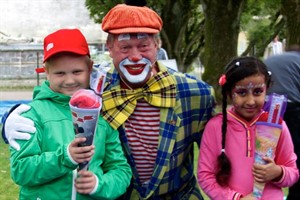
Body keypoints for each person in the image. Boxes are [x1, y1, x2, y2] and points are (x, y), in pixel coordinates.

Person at [2, 1, 215, 199]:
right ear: (110, 48)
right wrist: (7, 121)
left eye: (143, 46)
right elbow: (50, 106)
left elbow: (223, 138)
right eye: (124, 48)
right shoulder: (96, 92)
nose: (134, 56)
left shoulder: (196, 92)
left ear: (157, 45)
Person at [8, 28, 131, 199]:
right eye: (60, 73)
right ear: (47, 72)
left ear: (89, 68)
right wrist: (64, 158)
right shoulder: (32, 114)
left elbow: (120, 169)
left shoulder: (102, 113)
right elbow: (21, 170)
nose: (70, 80)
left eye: (77, 72)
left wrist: (99, 184)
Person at [197, 56, 299, 199]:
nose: (251, 101)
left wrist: (278, 172)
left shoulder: (278, 125)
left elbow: (293, 172)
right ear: (228, 93)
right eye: (242, 93)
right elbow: (205, 176)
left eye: (257, 92)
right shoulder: (215, 127)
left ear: (266, 89)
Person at [264, 45, 300, 200]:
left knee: (265, 152)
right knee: (297, 155)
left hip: (266, 106)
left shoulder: (273, 58)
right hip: (291, 107)